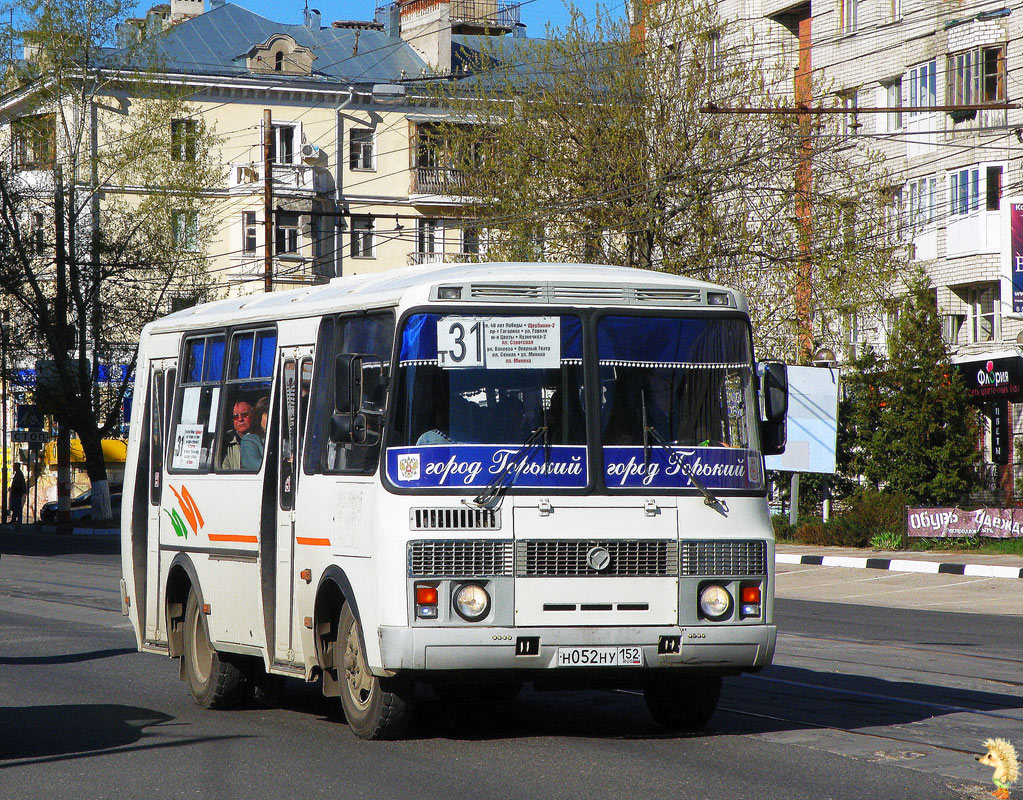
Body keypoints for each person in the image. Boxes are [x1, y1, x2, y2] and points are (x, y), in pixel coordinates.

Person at [221, 399, 264, 471]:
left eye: (244, 415)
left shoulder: (263, 438)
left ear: (253, 416)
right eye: (235, 417)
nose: (240, 419)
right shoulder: (225, 443)